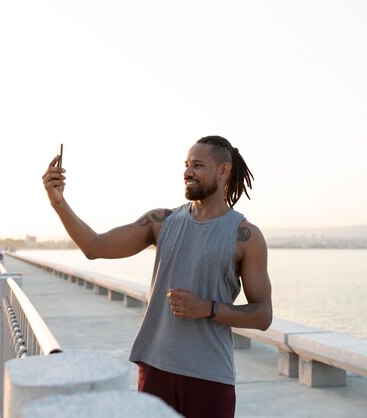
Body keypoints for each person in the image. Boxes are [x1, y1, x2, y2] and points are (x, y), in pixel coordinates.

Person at [42, 135, 272, 418]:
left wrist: (208, 308)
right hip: (154, 369)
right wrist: (58, 203)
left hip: (210, 378)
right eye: (187, 165)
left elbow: (263, 315)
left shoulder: (245, 236)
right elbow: (95, 247)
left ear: (223, 171)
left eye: (198, 165)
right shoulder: (160, 222)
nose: (188, 172)